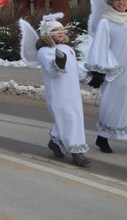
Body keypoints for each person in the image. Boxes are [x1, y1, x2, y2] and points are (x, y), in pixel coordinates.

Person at [34, 16, 91, 166]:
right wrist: (58, 62)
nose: (60, 33)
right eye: (55, 30)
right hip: (58, 94)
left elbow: (76, 70)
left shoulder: (68, 49)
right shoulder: (44, 51)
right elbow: (53, 70)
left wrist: (91, 76)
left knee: (73, 118)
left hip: (73, 93)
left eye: (61, 30)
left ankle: (55, 141)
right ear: (47, 34)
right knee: (69, 119)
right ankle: (76, 152)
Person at [86, 0, 127, 153]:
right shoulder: (106, 22)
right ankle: (103, 136)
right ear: (111, 2)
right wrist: (98, 71)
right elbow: (100, 47)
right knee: (113, 103)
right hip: (117, 71)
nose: (121, 2)